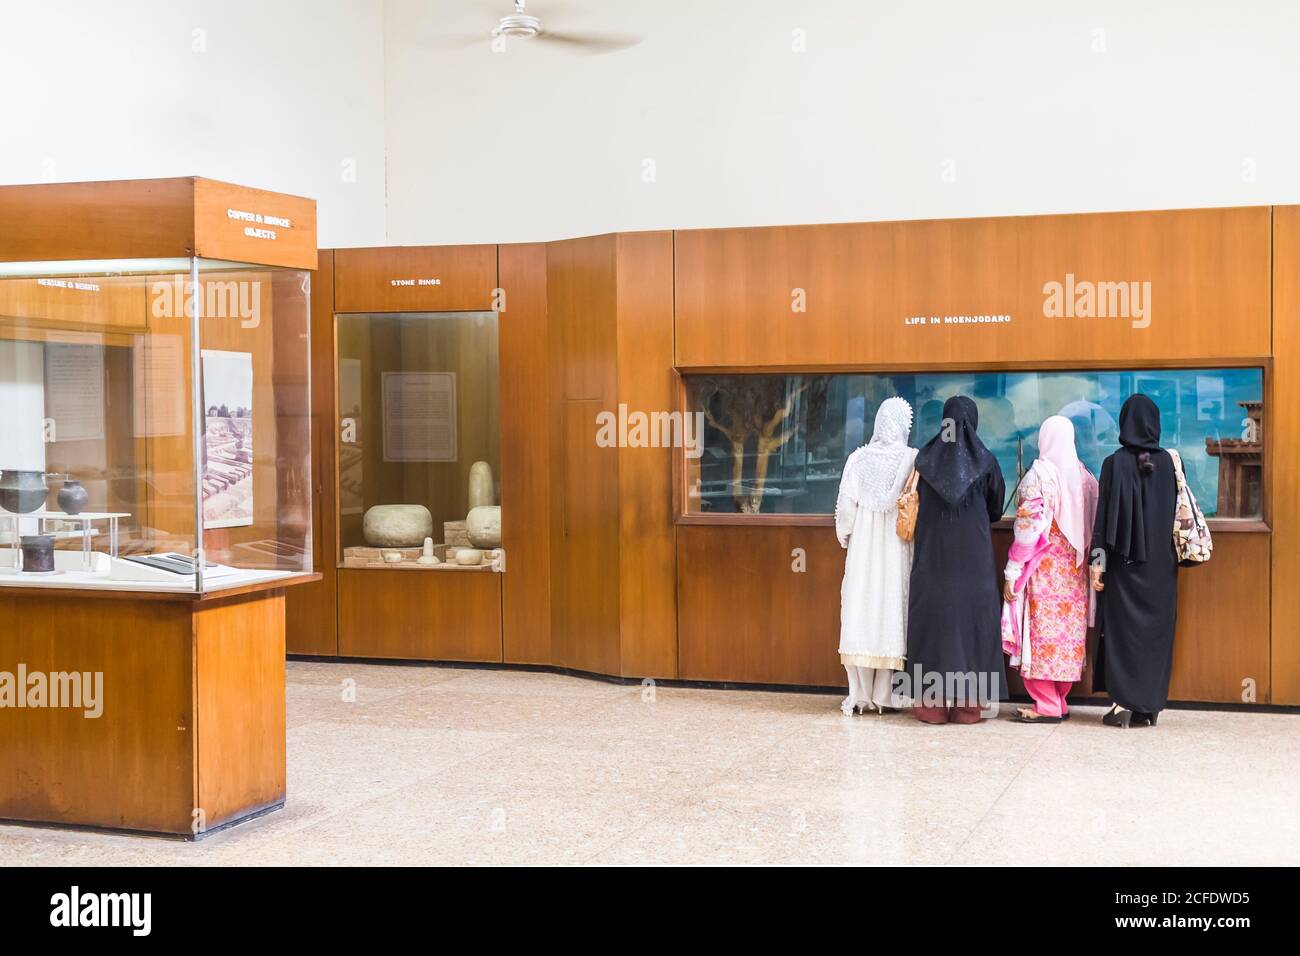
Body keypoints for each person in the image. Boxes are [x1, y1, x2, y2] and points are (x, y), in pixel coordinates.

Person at [906, 395, 1006, 724]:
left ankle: (931, 707)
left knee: (934, 627)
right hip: (974, 564)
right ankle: (967, 708)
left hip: (932, 563)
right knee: (972, 630)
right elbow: (995, 509)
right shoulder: (987, 462)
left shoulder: (923, 459)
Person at [1001, 416, 1099, 723]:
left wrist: (1013, 570)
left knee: (1042, 633)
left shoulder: (1039, 476)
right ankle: (1059, 700)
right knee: (1067, 636)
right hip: (1074, 574)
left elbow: (1028, 529)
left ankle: (1046, 705)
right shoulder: (1084, 477)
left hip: (1043, 572)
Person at [1090, 393, 1179, 728]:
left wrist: (1097, 565)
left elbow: (1102, 522)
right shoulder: (1170, 463)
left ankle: (1121, 706)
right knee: (1155, 636)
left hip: (1123, 569)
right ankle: (1149, 707)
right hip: (1162, 570)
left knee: (1122, 635)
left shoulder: (1114, 463)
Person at [835, 397, 918, 714]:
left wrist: (845, 537)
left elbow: (846, 510)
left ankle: (860, 694)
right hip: (895, 546)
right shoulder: (912, 458)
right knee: (889, 610)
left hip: (863, 549)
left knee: (861, 608)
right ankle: (885, 695)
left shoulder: (857, 459)